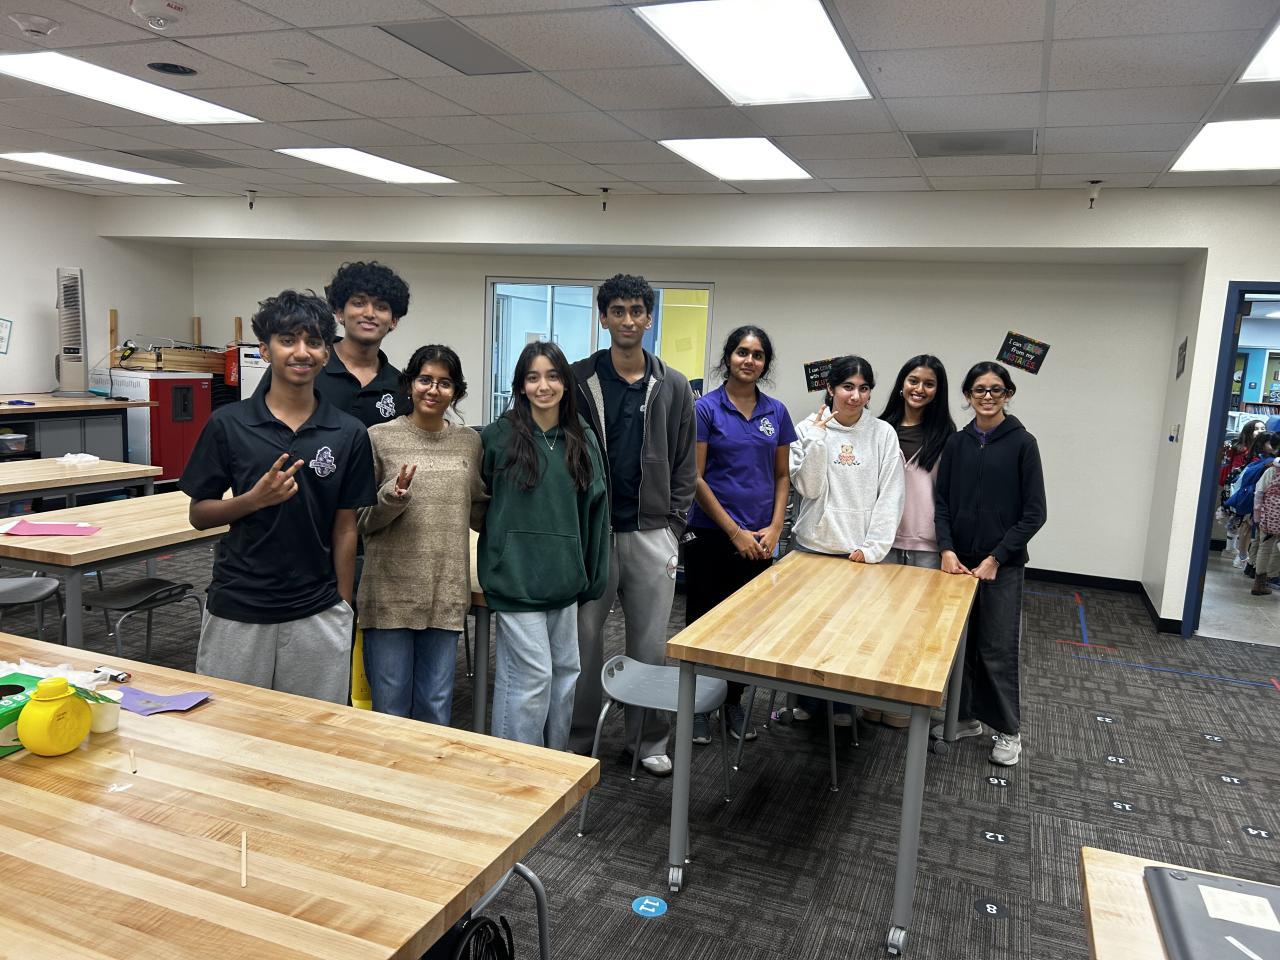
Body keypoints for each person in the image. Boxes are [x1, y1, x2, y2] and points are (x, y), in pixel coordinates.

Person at [180, 290, 375, 703]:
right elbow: (199, 514)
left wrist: (342, 605)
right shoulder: (228, 424)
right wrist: (252, 500)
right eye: (288, 340)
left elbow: (346, 528)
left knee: (313, 729)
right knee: (231, 725)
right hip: (238, 605)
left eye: (314, 341)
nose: (301, 352)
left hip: (317, 609)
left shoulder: (349, 432)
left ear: (326, 353)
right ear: (265, 350)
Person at [568, 274, 697, 776]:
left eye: (637, 311)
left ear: (649, 318)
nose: (627, 319)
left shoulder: (673, 384)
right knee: (583, 641)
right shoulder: (577, 379)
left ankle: (647, 741)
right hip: (592, 534)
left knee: (649, 645)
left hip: (651, 534)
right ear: (603, 317)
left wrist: (673, 525)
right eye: (617, 311)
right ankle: (579, 739)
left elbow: (685, 461)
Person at [479, 341, 610, 749]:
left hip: (565, 580)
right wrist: (500, 553)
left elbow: (596, 511)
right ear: (521, 385)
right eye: (533, 377)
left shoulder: (581, 437)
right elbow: (479, 504)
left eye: (553, 376)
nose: (544, 386)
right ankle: (517, 767)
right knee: (532, 676)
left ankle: (555, 763)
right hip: (515, 580)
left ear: (566, 383)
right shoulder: (498, 436)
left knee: (566, 673)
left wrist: (591, 576)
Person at [356, 345, 488, 724]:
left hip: (444, 594)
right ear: (409, 384)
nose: (433, 389)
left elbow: (480, 509)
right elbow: (361, 520)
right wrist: (392, 497)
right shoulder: (379, 438)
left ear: (456, 392)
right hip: (389, 595)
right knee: (390, 711)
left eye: (445, 383)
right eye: (425, 379)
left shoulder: (470, 442)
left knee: (435, 708)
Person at [684, 326, 795, 745]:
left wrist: (776, 527)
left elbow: (782, 476)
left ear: (765, 364)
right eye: (742, 352)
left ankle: (733, 701)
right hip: (711, 534)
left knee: (748, 627)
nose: (749, 360)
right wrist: (734, 532)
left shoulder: (776, 412)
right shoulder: (706, 409)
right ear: (728, 357)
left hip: (760, 538)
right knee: (703, 622)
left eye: (758, 354)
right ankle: (698, 705)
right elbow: (695, 477)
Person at [933, 361, 1047, 766]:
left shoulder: (1023, 443)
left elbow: (1035, 513)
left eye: (995, 389)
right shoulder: (957, 443)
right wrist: (946, 549)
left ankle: (1008, 731)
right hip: (958, 564)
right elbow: (942, 503)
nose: (987, 396)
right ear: (968, 396)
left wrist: (997, 557)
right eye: (979, 390)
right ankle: (964, 718)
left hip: (1002, 566)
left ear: (1008, 394)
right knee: (959, 647)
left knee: (996, 649)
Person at [789, 355, 905, 724]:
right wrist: (818, 440)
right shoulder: (806, 428)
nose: (855, 396)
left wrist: (873, 548)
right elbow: (808, 488)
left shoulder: (883, 433)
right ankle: (806, 702)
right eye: (847, 387)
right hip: (811, 548)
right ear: (830, 388)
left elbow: (891, 495)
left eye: (863, 388)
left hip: (857, 554)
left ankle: (842, 706)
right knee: (807, 631)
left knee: (849, 636)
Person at [873, 354, 956, 728]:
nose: (919, 389)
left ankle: (904, 704)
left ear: (938, 391)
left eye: (929, 383)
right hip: (882, 542)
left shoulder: (948, 437)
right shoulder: (879, 428)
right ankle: (872, 697)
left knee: (918, 629)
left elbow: (949, 496)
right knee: (877, 623)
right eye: (913, 380)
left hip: (926, 544)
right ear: (901, 384)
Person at [317, 260, 412, 427]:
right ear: (339, 313)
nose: (369, 313)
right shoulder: (309, 364)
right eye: (359, 303)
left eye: (381, 306)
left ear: (393, 321)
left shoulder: (401, 387)